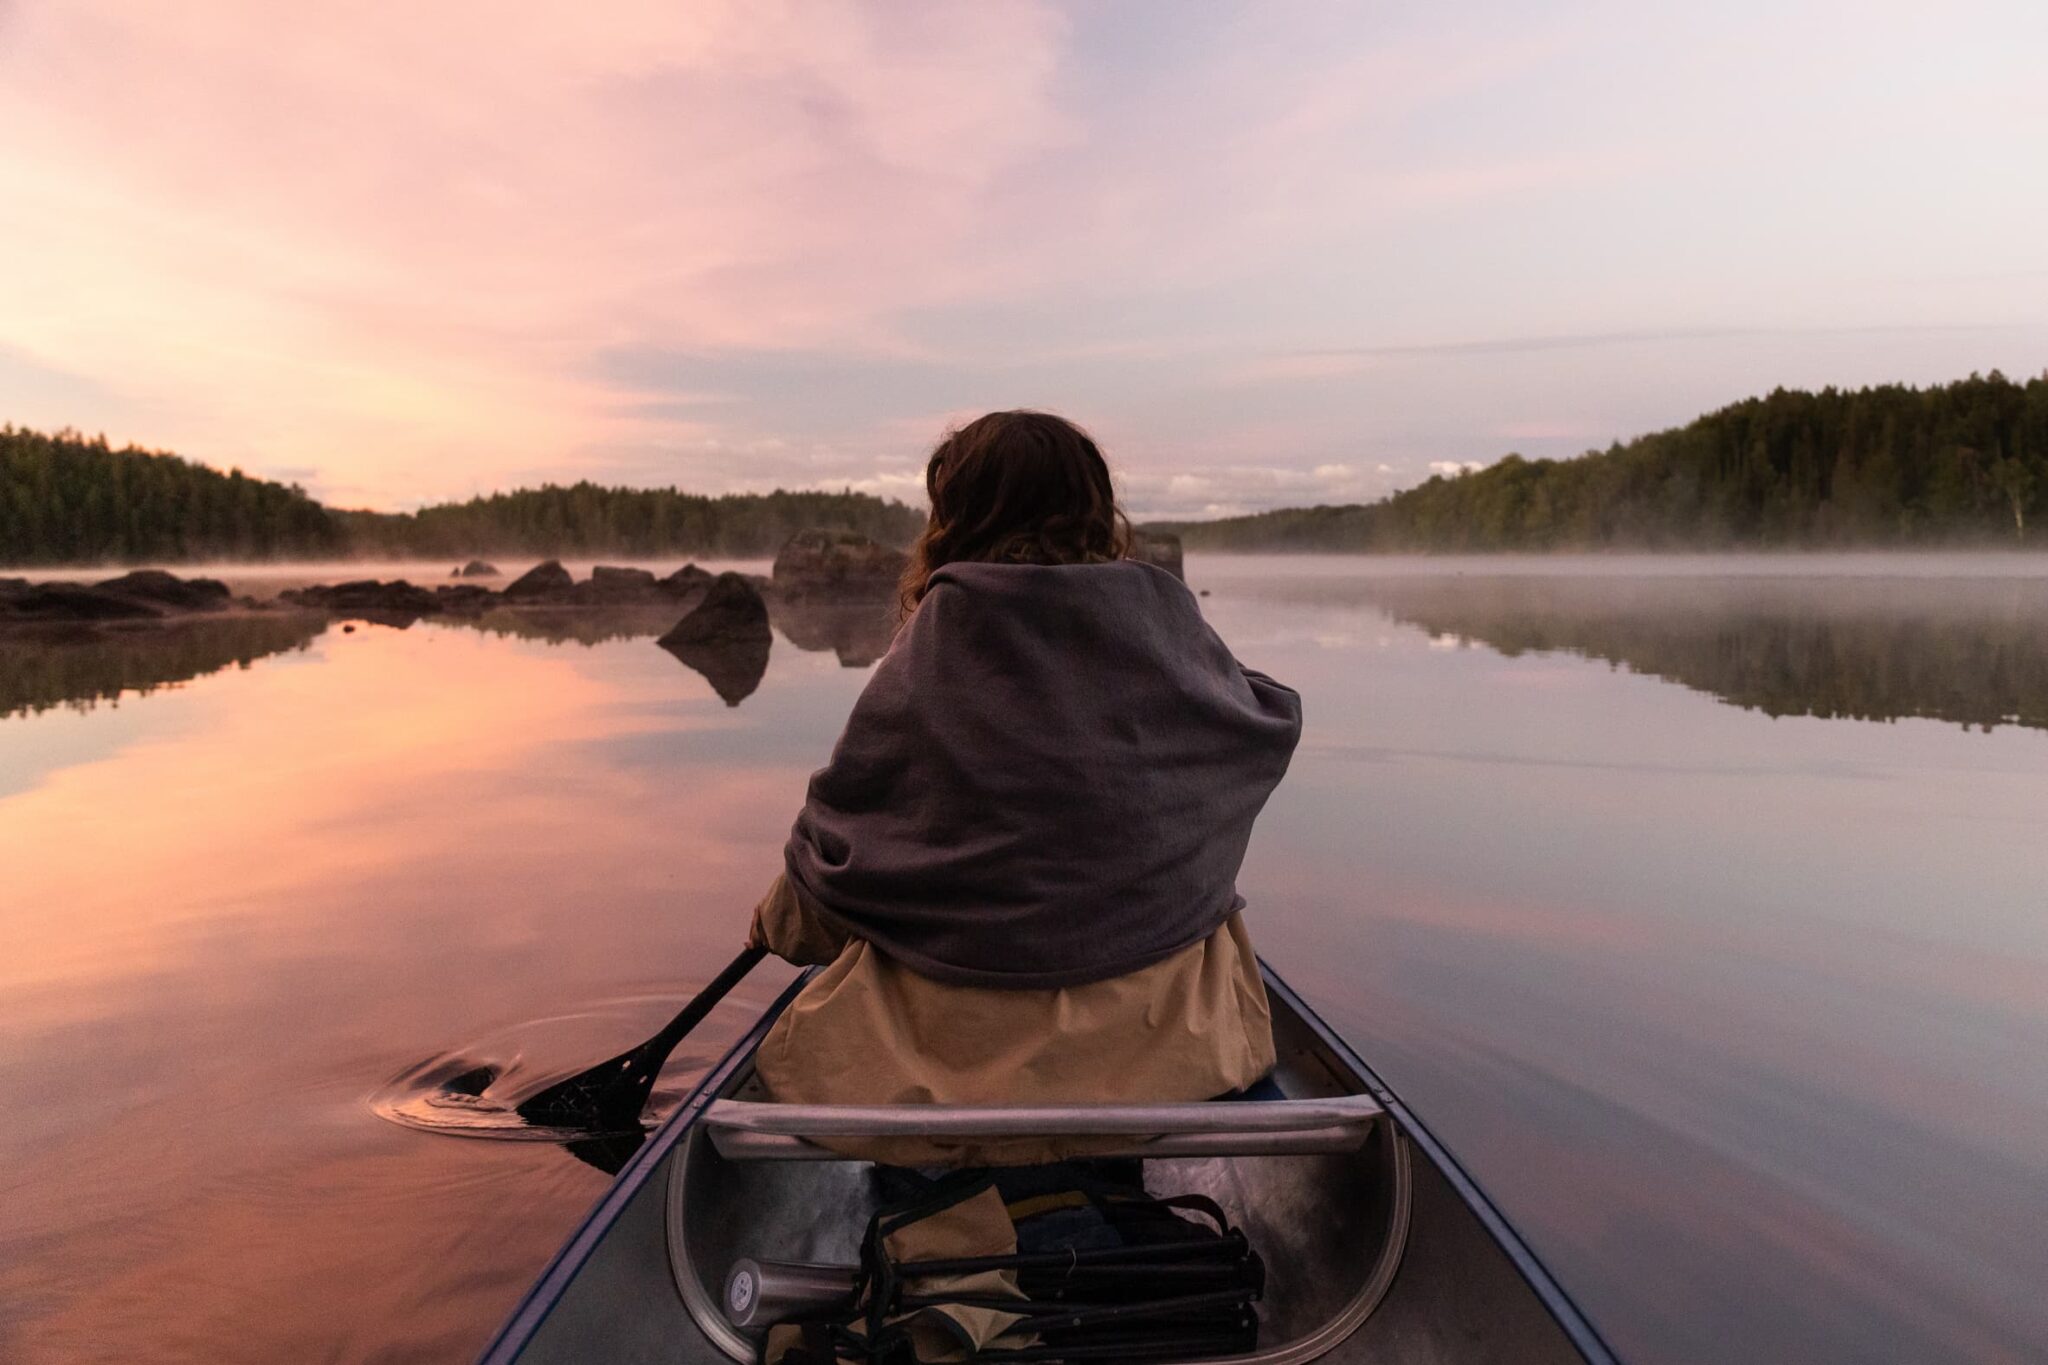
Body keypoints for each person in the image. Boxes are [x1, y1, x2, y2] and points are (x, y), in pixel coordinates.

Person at [747, 410, 1302, 1167]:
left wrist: (776, 926)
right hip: (1176, 1055)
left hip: (963, 1079)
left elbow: (838, 857)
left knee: (846, 1007)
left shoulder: (940, 642)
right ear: (1097, 512)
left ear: (959, 519)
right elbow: (1263, 722)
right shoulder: (1165, 620)